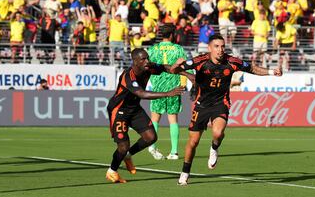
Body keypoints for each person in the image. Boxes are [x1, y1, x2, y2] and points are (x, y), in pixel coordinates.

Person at [169, 34, 282, 185]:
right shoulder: (199, 61)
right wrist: (177, 65)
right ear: (209, 48)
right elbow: (173, 70)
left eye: (222, 46)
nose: (220, 50)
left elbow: (252, 69)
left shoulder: (232, 61)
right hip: (201, 104)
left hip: (220, 103)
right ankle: (185, 172)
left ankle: (214, 148)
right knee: (193, 142)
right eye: (216, 46)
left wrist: (271, 72)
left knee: (218, 132)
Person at [105, 48, 189, 183]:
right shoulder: (128, 75)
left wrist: (187, 75)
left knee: (151, 137)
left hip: (134, 109)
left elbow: (165, 67)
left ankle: (128, 156)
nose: (147, 61)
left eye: (147, 58)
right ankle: (112, 171)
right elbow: (142, 94)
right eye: (143, 59)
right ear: (135, 61)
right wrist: (168, 93)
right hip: (119, 110)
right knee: (123, 145)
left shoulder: (148, 67)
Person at [147, 24, 194, 160]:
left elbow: (147, 66)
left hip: (157, 88)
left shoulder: (153, 49)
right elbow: (185, 66)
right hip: (174, 87)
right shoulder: (178, 49)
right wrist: (186, 83)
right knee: (173, 119)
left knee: (155, 118)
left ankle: (153, 146)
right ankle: (174, 152)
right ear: (173, 34)